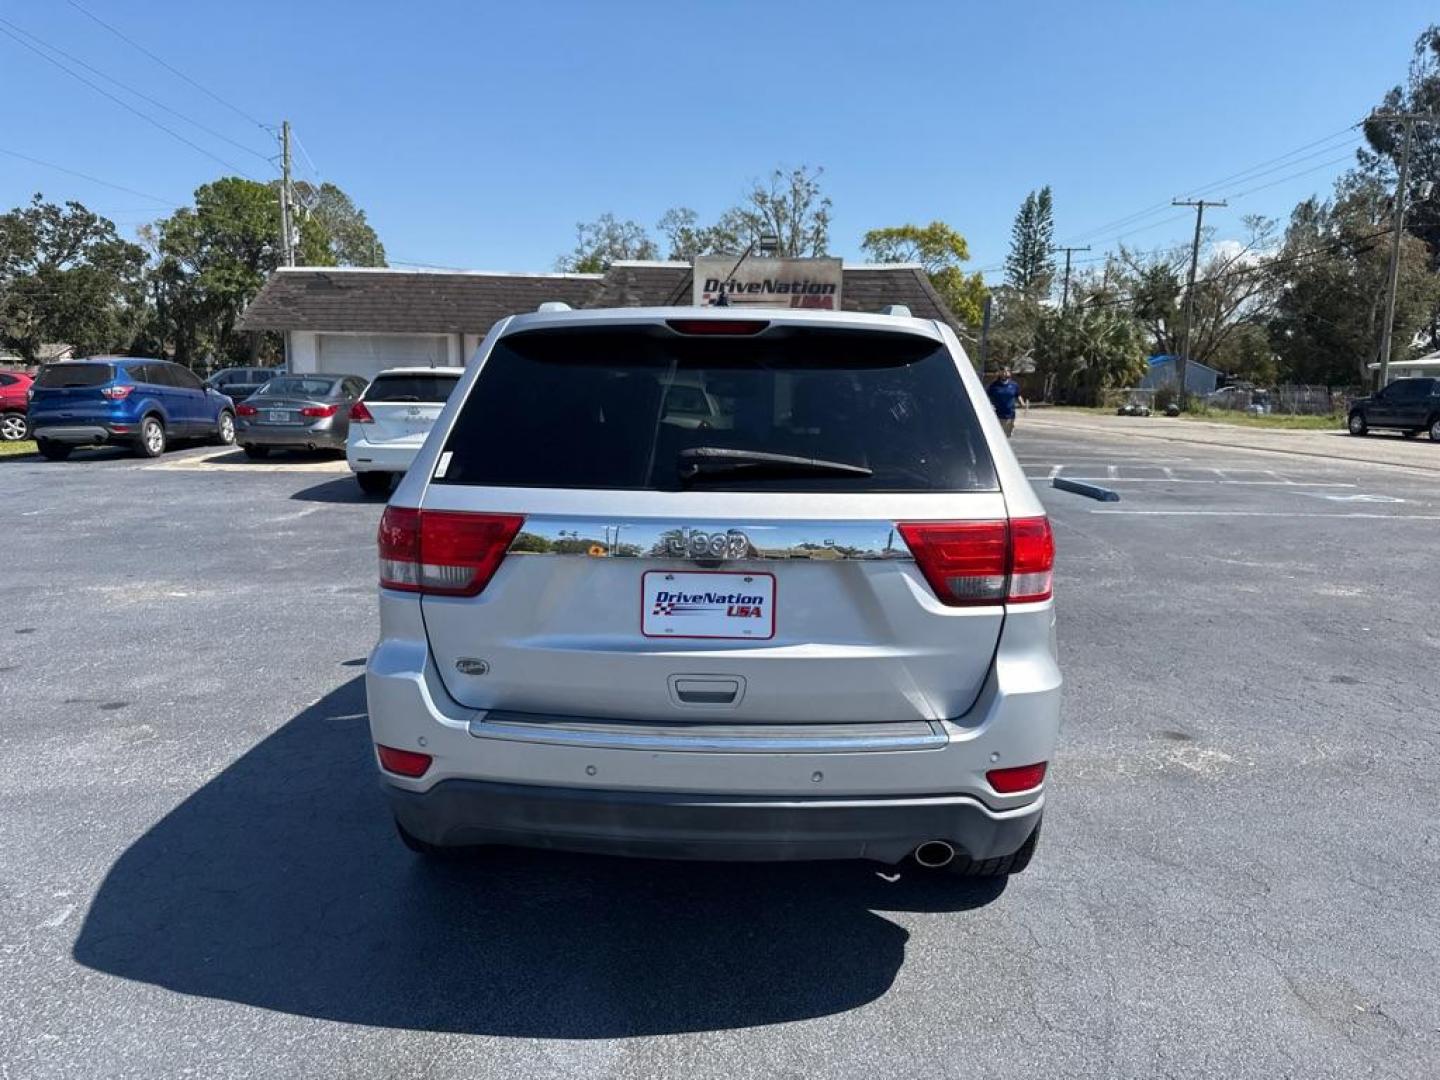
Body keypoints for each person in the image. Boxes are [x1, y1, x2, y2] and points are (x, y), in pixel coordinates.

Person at [986, 366, 1026, 437]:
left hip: (1010, 415)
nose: (1005, 373)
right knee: (996, 436)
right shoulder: (993, 386)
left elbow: (1018, 395)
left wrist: (1022, 403)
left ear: (1009, 373)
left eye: (1007, 371)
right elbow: (986, 397)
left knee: (1007, 436)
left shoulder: (1014, 385)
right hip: (996, 416)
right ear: (999, 373)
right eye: (1003, 371)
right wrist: (989, 406)